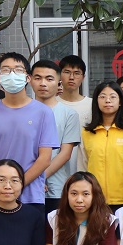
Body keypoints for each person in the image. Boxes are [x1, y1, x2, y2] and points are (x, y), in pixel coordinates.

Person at [0, 52, 60, 213]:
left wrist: (17, 185)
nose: (12, 74)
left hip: (30, 196)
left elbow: (44, 159)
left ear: (28, 78)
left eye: (18, 70)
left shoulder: (43, 112)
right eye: (6, 70)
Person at [30, 59, 82, 204]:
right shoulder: (21, 112)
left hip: (57, 189)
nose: (43, 83)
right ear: (30, 80)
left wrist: (37, 178)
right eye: (38, 78)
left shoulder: (69, 114)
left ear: (59, 83)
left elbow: (65, 154)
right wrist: (29, 180)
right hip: (25, 187)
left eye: (49, 79)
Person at [80, 81, 123, 209]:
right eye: (102, 96)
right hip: (95, 199)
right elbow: (83, 165)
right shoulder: (87, 132)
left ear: (120, 101)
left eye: (113, 96)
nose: (107, 100)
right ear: (96, 101)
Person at [58, 54, 91, 126]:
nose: (71, 77)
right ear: (59, 75)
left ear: (83, 77)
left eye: (77, 73)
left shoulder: (92, 105)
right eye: (67, 72)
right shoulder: (51, 103)